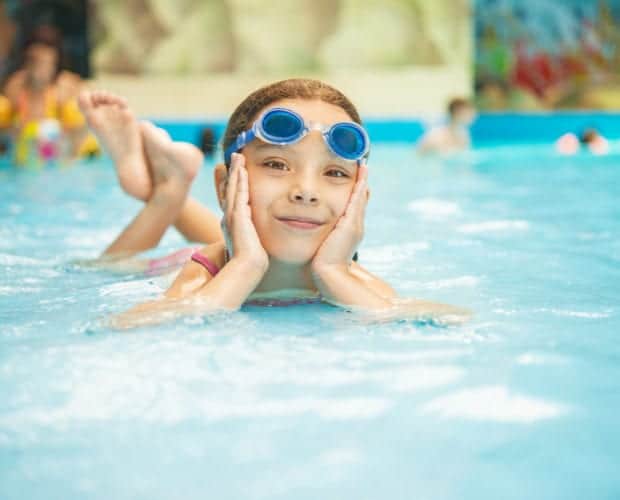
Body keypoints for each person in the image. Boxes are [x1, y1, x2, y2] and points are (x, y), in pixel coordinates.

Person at [77, 79, 469, 329]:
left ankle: (165, 186)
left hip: (248, 234)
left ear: (359, 198)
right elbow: (120, 326)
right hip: (186, 256)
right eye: (277, 164)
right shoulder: (206, 273)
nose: (306, 191)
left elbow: (451, 320)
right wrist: (245, 265)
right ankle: (165, 196)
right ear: (225, 183)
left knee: (262, 220)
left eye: (334, 173)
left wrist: (332, 272)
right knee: (102, 268)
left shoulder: (351, 277)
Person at [1, 29, 97, 165]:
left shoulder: (66, 87)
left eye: (46, 64)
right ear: (25, 62)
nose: (39, 70)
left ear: (55, 63)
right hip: (31, 158)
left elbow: (84, 131)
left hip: (70, 157)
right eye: (34, 62)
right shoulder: (15, 87)